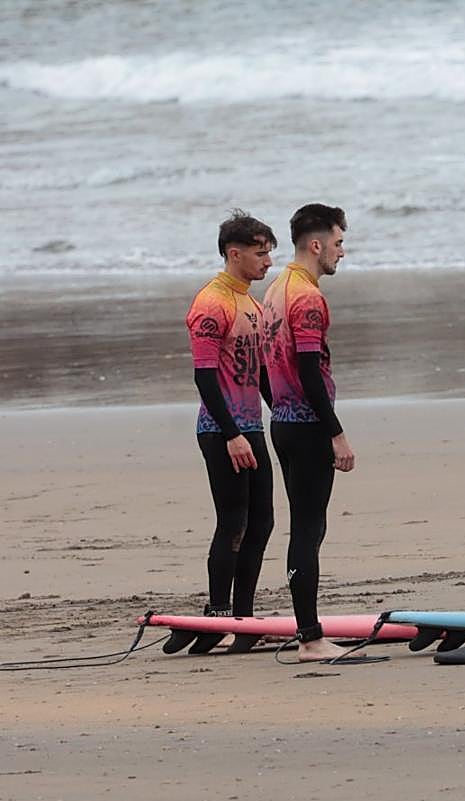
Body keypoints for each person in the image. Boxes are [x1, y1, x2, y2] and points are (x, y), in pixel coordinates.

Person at [262, 203, 359, 662]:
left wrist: (277, 410)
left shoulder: (276, 290)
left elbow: (267, 368)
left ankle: (309, 633)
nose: (343, 252)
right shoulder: (308, 298)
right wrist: (335, 433)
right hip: (307, 426)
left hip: (285, 422)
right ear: (316, 245)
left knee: (303, 526)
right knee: (307, 529)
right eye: (338, 243)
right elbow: (308, 370)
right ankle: (311, 639)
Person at [182, 211, 276, 654]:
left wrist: (290, 417)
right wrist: (231, 434)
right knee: (233, 523)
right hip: (222, 430)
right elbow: (204, 378)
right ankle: (218, 614)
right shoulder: (210, 303)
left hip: (251, 427)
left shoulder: (252, 305)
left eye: (270, 251)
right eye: (261, 253)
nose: (268, 261)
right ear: (234, 253)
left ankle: (244, 618)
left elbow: (260, 376)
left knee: (263, 521)